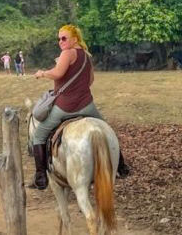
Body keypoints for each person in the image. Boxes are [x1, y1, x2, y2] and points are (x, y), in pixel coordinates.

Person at [30, 24, 130, 190]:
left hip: (65, 107)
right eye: (59, 39)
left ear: (74, 39)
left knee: (39, 135)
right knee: (107, 130)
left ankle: (40, 177)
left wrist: (42, 73)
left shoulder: (67, 53)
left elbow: (58, 73)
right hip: (87, 105)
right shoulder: (86, 56)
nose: (60, 41)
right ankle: (121, 167)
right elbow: (90, 81)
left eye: (64, 38)